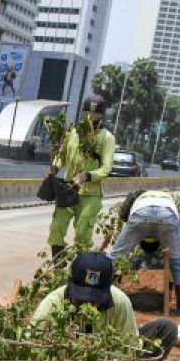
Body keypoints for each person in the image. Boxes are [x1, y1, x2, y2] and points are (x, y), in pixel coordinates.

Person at [32, 251, 178, 361]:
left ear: (107, 291)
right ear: (70, 285)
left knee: (167, 328)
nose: (86, 305)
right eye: (80, 298)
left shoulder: (120, 302)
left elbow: (129, 350)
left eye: (93, 299)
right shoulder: (51, 307)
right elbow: (33, 353)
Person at [47, 95, 116, 258]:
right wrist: (54, 168)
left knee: (82, 235)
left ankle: (77, 270)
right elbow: (62, 156)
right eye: (87, 114)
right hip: (68, 190)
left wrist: (86, 176)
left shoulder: (107, 138)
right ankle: (59, 268)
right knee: (56, 228)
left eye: (95, 115)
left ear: (102, 116)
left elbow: (106, 169)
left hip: (90, 195)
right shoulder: (73, 133)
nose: (90, 118)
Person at [109, 189, 180, 315]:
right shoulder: (166, 198)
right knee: (178, 262)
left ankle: (105, 297)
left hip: (141, 213)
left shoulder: (137, 198)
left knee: (115, 256)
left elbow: (124, 216)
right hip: (167, 214)